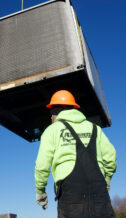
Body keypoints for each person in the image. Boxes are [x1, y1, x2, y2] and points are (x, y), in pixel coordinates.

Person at [35, 90, 117, 218]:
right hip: (99, 188)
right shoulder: (95, 129)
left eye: (52, 112)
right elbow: (111, 158)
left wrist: (40, 191)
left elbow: (42, 165)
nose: (51, 117)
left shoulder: (52, 131)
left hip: (70, 192)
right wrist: (106, 181)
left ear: (59, 110)